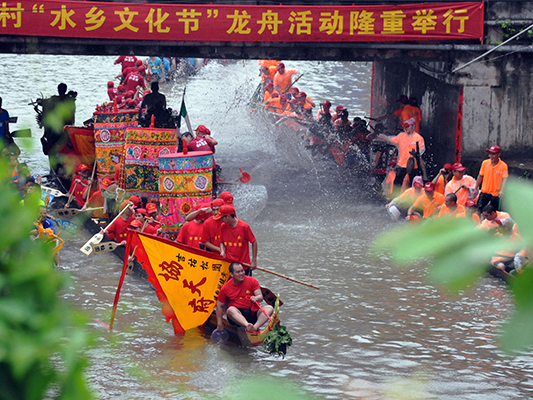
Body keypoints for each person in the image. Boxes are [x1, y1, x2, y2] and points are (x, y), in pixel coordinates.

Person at [216, 262, 273, 333]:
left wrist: (256, 298)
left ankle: (254, 327)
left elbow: (260, 296)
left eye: (242, 271)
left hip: (252, 312)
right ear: (231, 274)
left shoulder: (252, 280)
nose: (241, 273)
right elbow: (219, 306)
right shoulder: (225, 288)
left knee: (269, 308)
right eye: (238, 272)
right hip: (236, 315)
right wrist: (219, 324)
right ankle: (247, 325)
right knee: (230, 310)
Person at [377, 117, 425, 188]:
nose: (405, 129)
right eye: (405, 127)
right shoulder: (401, 136)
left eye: (407, 127)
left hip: (413, 165)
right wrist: (383, 137)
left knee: (412, 183)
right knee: (397, 182)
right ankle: (395, 196)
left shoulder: (418, 138)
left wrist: (417, 154)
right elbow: (391, 139)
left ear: (413, 126)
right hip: (401, 164)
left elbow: (422, 149)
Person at [215, 205, 257, 274]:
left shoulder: (244, 227)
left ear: (228, 216)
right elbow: (222, 242)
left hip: (243, 265)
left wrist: (254, 260)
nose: (220, 220)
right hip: (229, 264)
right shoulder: (223, 226)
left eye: (222, 218)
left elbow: (254, 242)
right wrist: (222, 251)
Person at [474, 145, 508, 212]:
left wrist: (502, 190)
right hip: (484, 191)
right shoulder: (485, 163)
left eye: (493, 154)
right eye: (490, 154)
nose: (491, 156)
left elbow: (505, 179)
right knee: (478, 210)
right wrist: (476, 188)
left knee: (494, 213)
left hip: (496, 194)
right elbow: (480, 176)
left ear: (498, 154)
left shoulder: (503, 165)